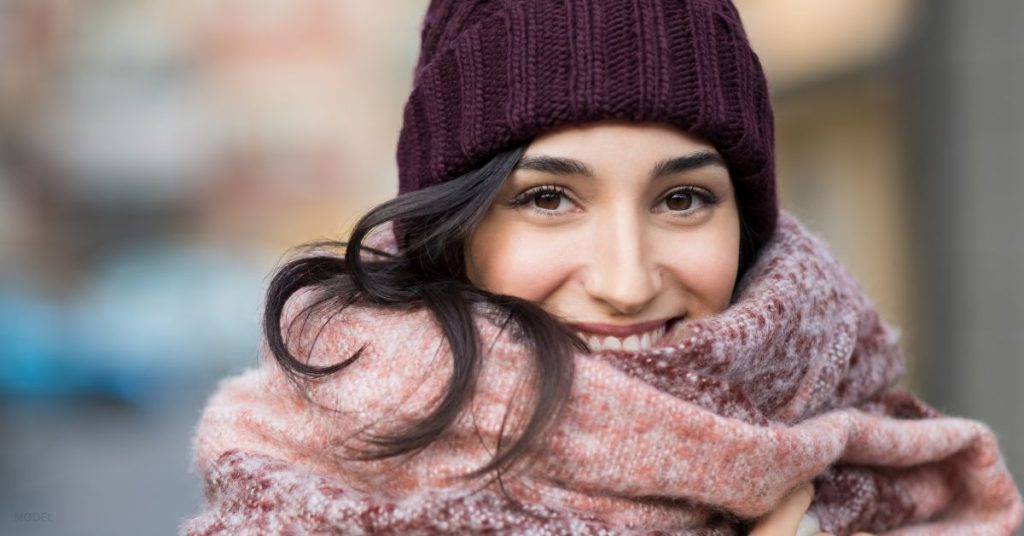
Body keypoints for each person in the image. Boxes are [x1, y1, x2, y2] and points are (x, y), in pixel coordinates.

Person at [182, 1, 1023, 535]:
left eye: (684, 199)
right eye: (548, 199)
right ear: (454, 225)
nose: (626, 280)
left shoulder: (877, 470)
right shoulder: (306, 491)